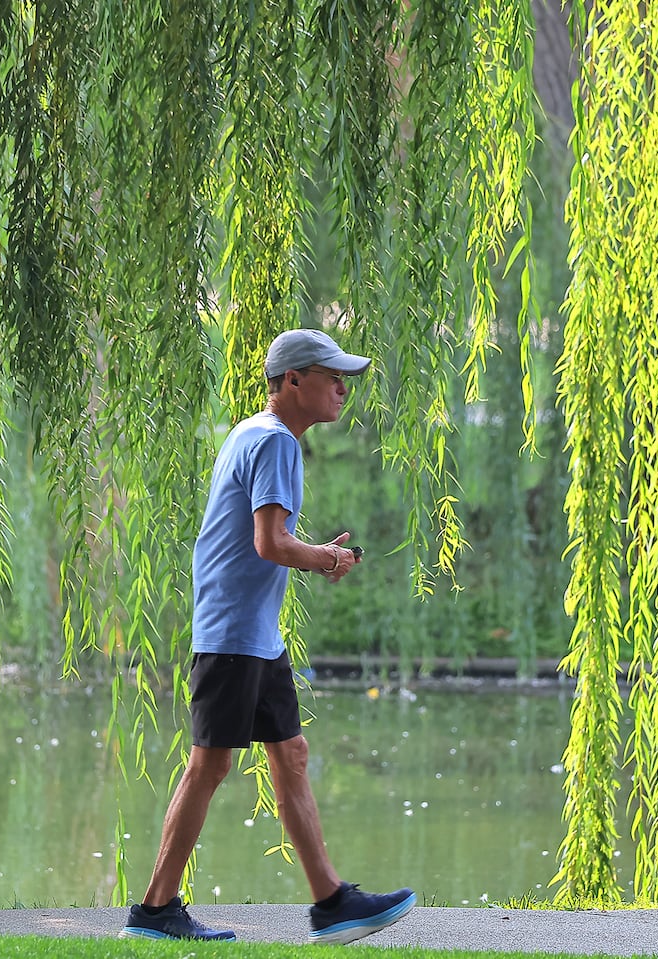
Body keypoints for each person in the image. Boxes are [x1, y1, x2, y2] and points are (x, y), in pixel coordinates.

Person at [119, 328, 415, 944]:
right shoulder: (276, 441)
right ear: (293, 382)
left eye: (344, 376)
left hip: (253, 633)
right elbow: (270, 543)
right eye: (330, 375)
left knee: (290, 755)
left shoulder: (254, 433)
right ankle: (153, 911)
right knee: (208, 765)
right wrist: (322, 560)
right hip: (232, 633)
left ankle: (332, 902)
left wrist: (313, 555)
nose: (341, 387)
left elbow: (270, 543)